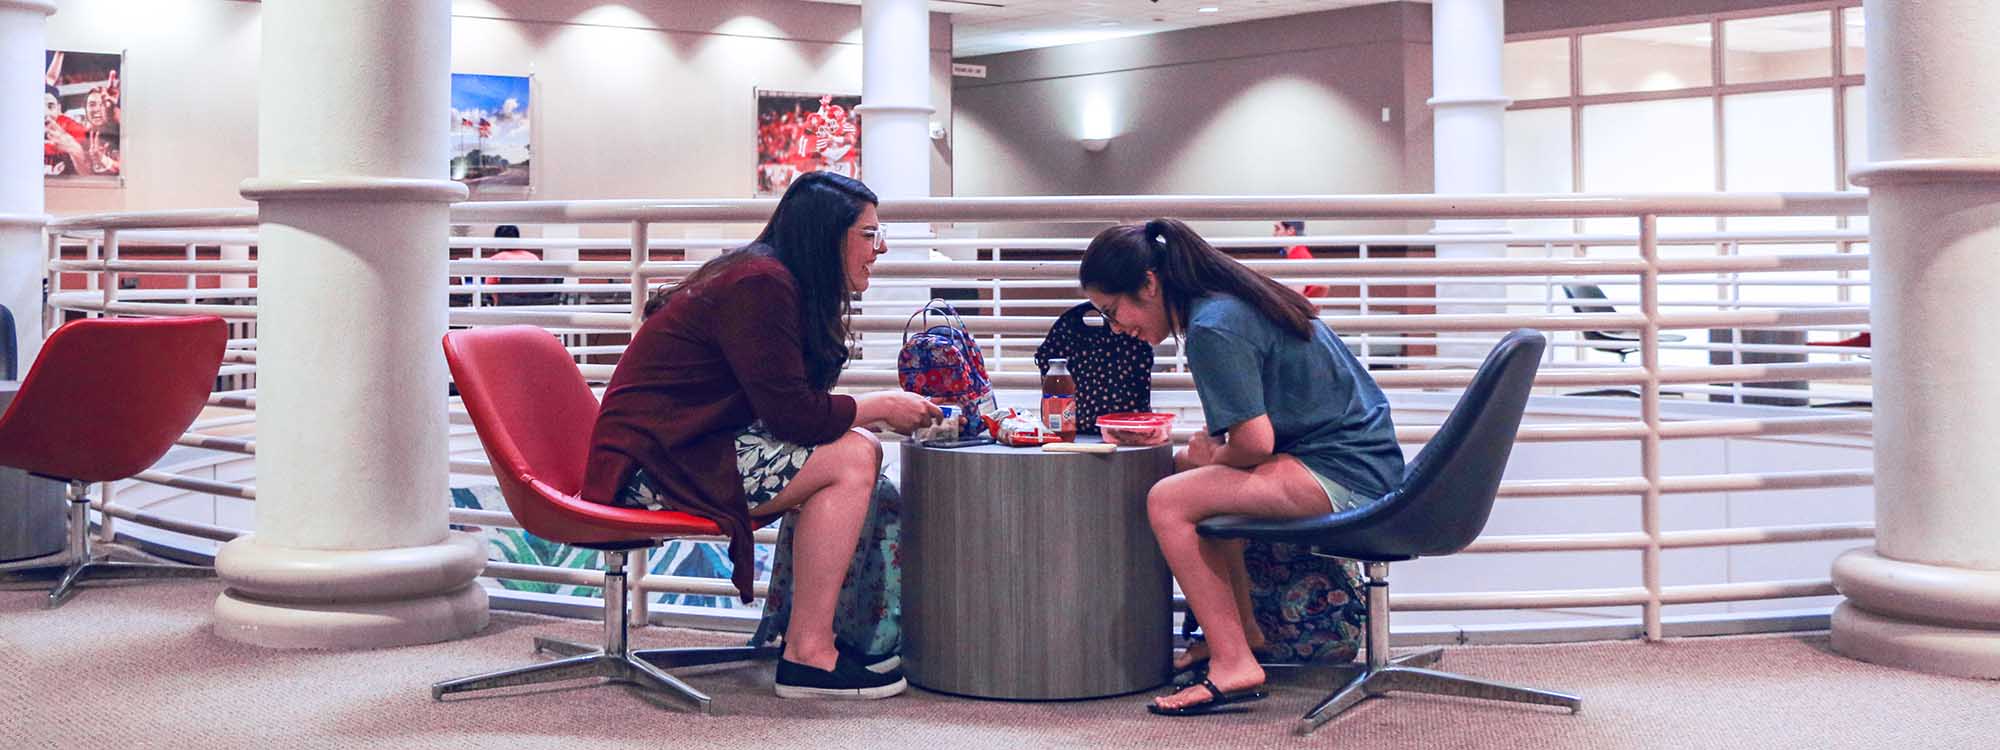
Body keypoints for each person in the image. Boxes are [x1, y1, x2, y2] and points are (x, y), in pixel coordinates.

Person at [583, 171, 940, 700]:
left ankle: (809, 640)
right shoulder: (761, 285)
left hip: (682, 447)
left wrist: (863, 412)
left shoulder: (772, 279)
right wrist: (879, 407)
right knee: (854, 456)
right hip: (653, 463)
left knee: (853, 456)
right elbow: (794, 418)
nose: (880, 247)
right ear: (827, 235)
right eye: (869, 234)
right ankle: (808, 654)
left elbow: (791, 411)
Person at [1079, 218, 1404, 716]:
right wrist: (1207, 455)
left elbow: (1253, 442)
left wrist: (1214, 454)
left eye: (1113, 310)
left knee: (1168, 499)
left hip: (1345, 472)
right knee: (1191, 472)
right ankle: (1244, 633)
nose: (1117, 327)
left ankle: (1233, 663)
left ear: (1148, 283)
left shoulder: (1212, 327)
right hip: (1358, 460)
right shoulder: (1230, 302)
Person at [1274, 220, 1328, 300]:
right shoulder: (1299, 253)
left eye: (1277, 229)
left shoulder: (1298, 257)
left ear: (1290, 231)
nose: (1274, 234)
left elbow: (1295, 296)